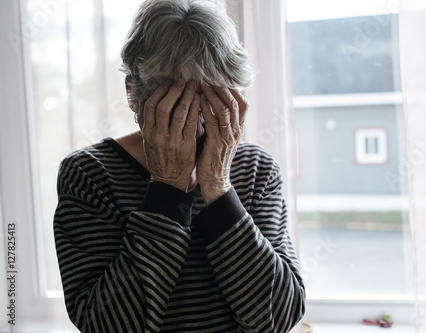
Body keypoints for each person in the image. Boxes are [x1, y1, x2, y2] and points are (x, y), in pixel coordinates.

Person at [53, 0, 305, 332]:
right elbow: (105, 324)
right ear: (133, 94)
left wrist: (217, 186)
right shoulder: (89, 175)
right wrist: (167, 188)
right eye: (179, 103)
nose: (198, 122)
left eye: (212, 98)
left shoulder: (256, 169)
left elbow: (279, 317)